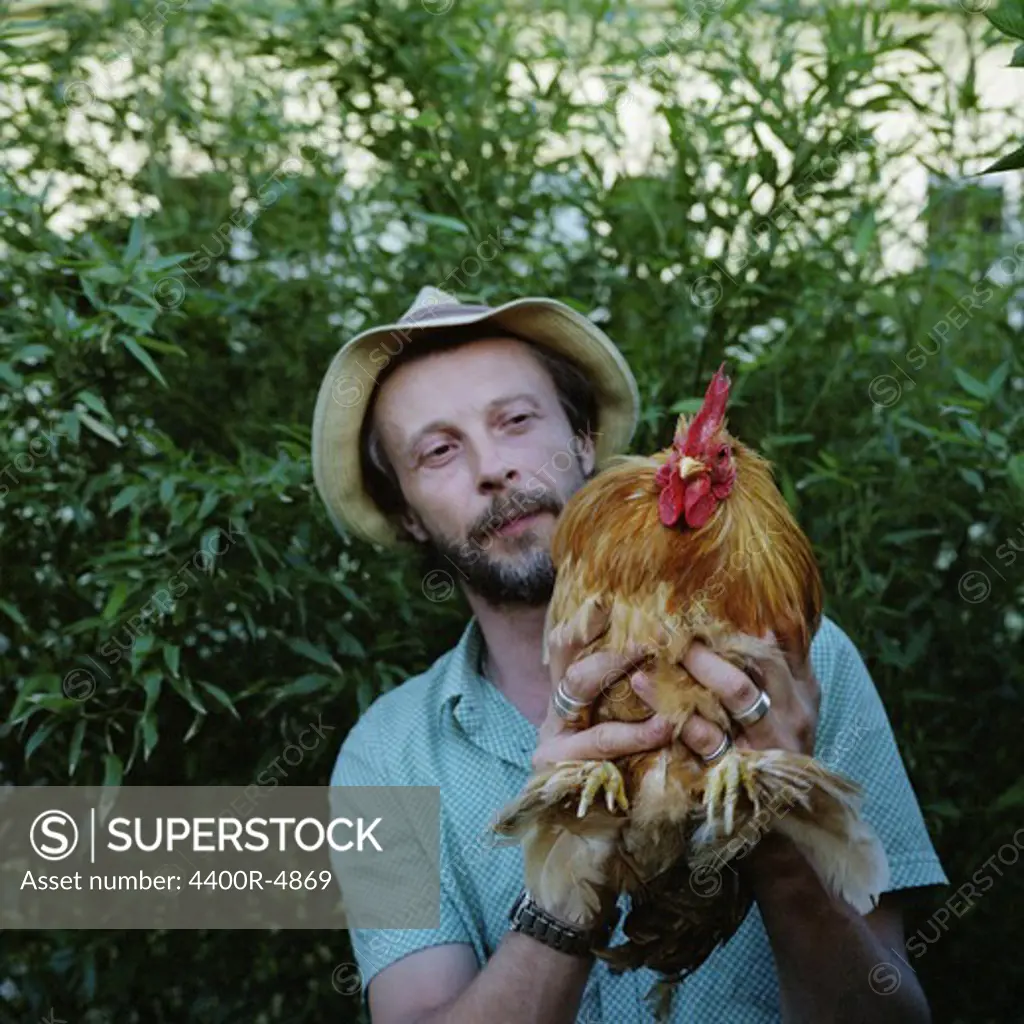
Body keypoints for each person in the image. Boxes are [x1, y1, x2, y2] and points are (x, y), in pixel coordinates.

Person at [313, 286, 947, 1024]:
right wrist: (569, 885)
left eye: (516, 421)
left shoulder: (798, 663)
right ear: (405, 514)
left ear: (583, 437)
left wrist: (775, 835)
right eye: (439, 450)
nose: (493, 468)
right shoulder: (385, 758)